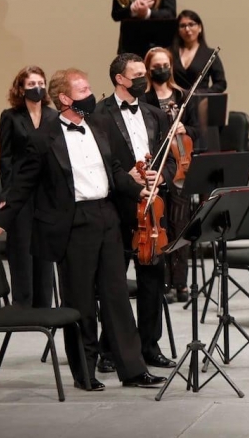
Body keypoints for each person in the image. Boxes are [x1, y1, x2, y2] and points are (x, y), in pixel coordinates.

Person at [0, 68, 164, 391]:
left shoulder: (99, 125)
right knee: (80, 302)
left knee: (117, 297)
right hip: (73, 223)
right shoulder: (44, 138)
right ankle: (84, 372)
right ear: (65, 98)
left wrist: (139, 192)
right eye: (83, 91)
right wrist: (0, 220)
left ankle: (133, 370)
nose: (90, 95)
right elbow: (22, 184)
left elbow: (114, 171)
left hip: (106, 216)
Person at [92, 53, 176, 372]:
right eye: (137, 75)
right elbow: (101, 162)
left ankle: (149, 346)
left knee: (152, 281)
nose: (144, 79)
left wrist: (161, 176)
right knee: (114, 283)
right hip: (118, 207)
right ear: (120, 79)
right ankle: (109, 349)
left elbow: (170, 159)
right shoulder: (99, 114)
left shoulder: (156, 114)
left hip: (152, 209)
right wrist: (130, 182)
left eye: (144, 74)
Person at [0, 66, 57, 308]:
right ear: (21, 88)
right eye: (31, 84)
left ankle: (44, 306)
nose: (37, 88)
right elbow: (6, 158)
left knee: (44, 249)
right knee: (21, 249)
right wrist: (6, 194)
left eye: (40, 83)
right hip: (20, 191)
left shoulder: (53, 116)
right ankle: (22, 305)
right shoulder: (10, 116)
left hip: (47, 192)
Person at [143, 46, 199, 301]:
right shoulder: (144, 99)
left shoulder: (183, 96)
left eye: (165, 65)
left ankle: (181, 282)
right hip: (156, 166)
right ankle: (163, 281)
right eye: (156, 66)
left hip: (180, 166)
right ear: (148, 69)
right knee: (160, 225)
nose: (162, 70)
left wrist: (185, 129)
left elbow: (198, 131)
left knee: (180, 225)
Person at [173, 10, 226, 93]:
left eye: (191, 24)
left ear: (200, 28)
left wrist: (201, 93)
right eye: (182, 26)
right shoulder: (169, 53)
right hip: (175, 99)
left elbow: (221, 84)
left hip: (200, 99)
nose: (187, 29)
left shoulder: (210, 54)